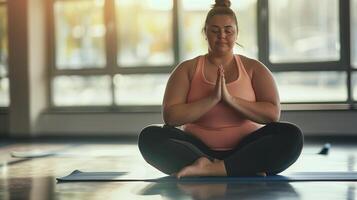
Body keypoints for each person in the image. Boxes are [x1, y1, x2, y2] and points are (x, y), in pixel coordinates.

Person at [138, 0, 303, 178]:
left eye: (228, 30)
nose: (222, 35)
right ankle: (237, 167)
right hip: (197, 150)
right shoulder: (187, 69)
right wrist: (212, 99)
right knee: (150, 136)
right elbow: (171, 117)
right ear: (205, 33)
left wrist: (231, 100)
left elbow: (272, 114)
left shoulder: (254, 68)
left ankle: (211, 169)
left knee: (291, 135)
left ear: (237, 33)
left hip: (245, 148)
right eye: (215, 30)